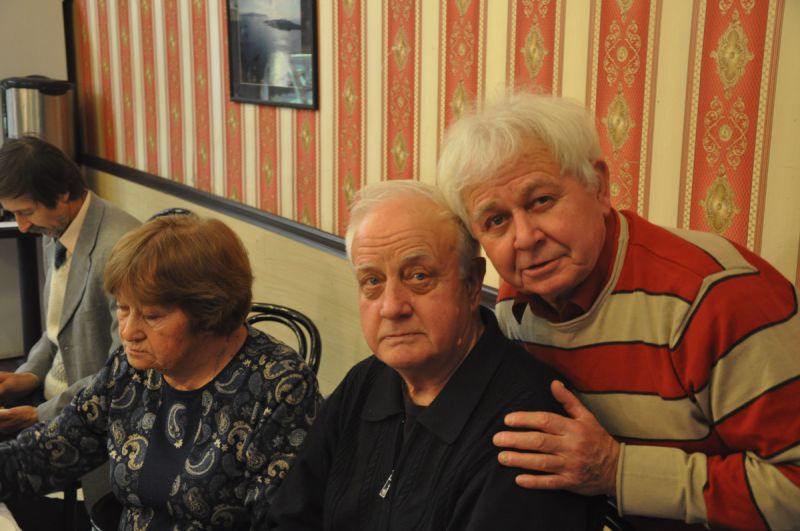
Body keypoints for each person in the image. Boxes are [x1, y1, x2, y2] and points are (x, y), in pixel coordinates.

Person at [436, 91, 800, 529]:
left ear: (599, 186)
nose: (525, 238)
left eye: (541, 201)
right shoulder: (517, 303)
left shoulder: (713, 297)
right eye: (496, 221)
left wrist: (617, 469)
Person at [266, 181, 605, 530]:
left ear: (472, 284)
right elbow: (289, 518)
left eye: (418, 276)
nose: (391, 307)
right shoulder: (365, 381)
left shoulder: (528, 427)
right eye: (372, 281)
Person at [0, 214, 322, 529]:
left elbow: (282, 521)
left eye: (152, 316)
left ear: (209, 312)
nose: (128, 332)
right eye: (123, 308)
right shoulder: (133, 369)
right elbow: (52, 449)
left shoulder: (279, 389)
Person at [0, 135, 140, 511]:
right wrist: (28, 375)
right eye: (13, 214)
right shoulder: (58, 228)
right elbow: (56, 332)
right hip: (51, 395)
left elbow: (123, 373)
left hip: (90, 419)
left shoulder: (120, 247)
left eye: (25, 212)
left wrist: (37, 414)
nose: (22, 227)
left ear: (62, 194)